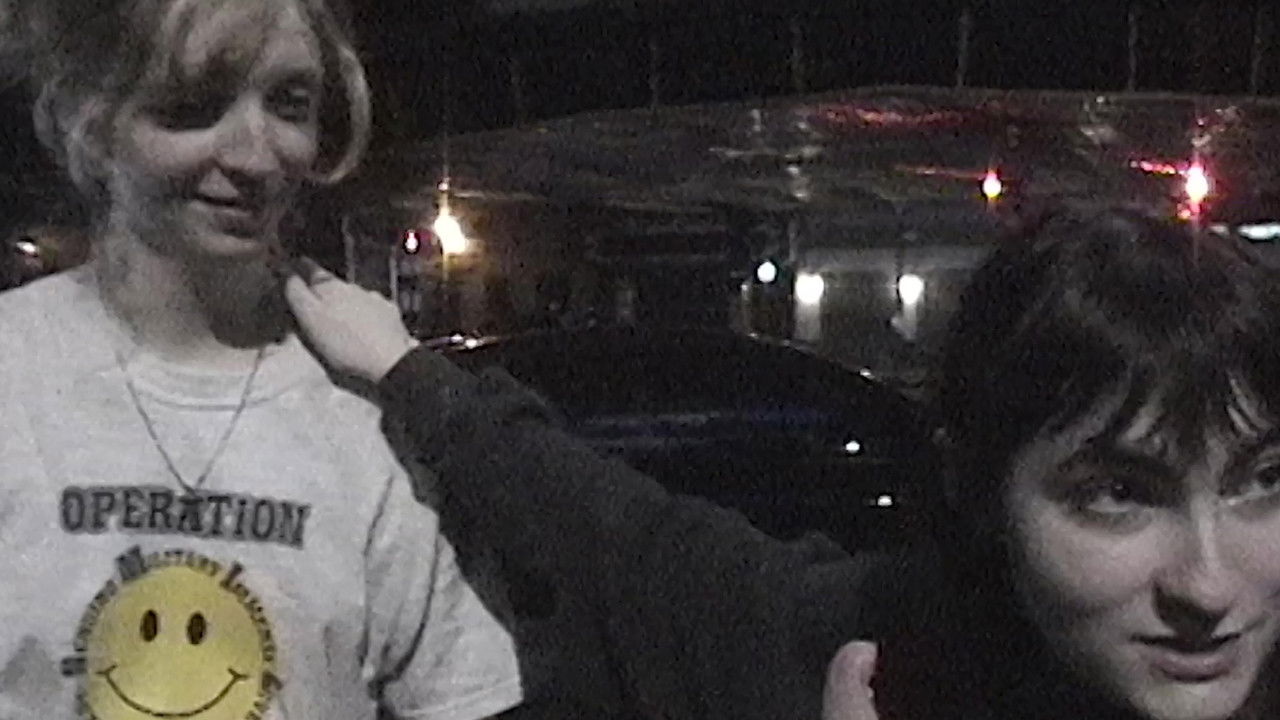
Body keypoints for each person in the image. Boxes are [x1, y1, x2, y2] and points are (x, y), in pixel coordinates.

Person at [288, 204, 1280, 720]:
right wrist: (406, 371)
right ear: (974, 487)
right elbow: (616, 534)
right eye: (1119, 494)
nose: (1207, 585)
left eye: (1262, 482)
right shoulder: (873, 652)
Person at [0, 2, 523, 719]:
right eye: (194, 106)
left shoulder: (367, 412)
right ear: (88, 120)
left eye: (289, 104)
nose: (255, 156)